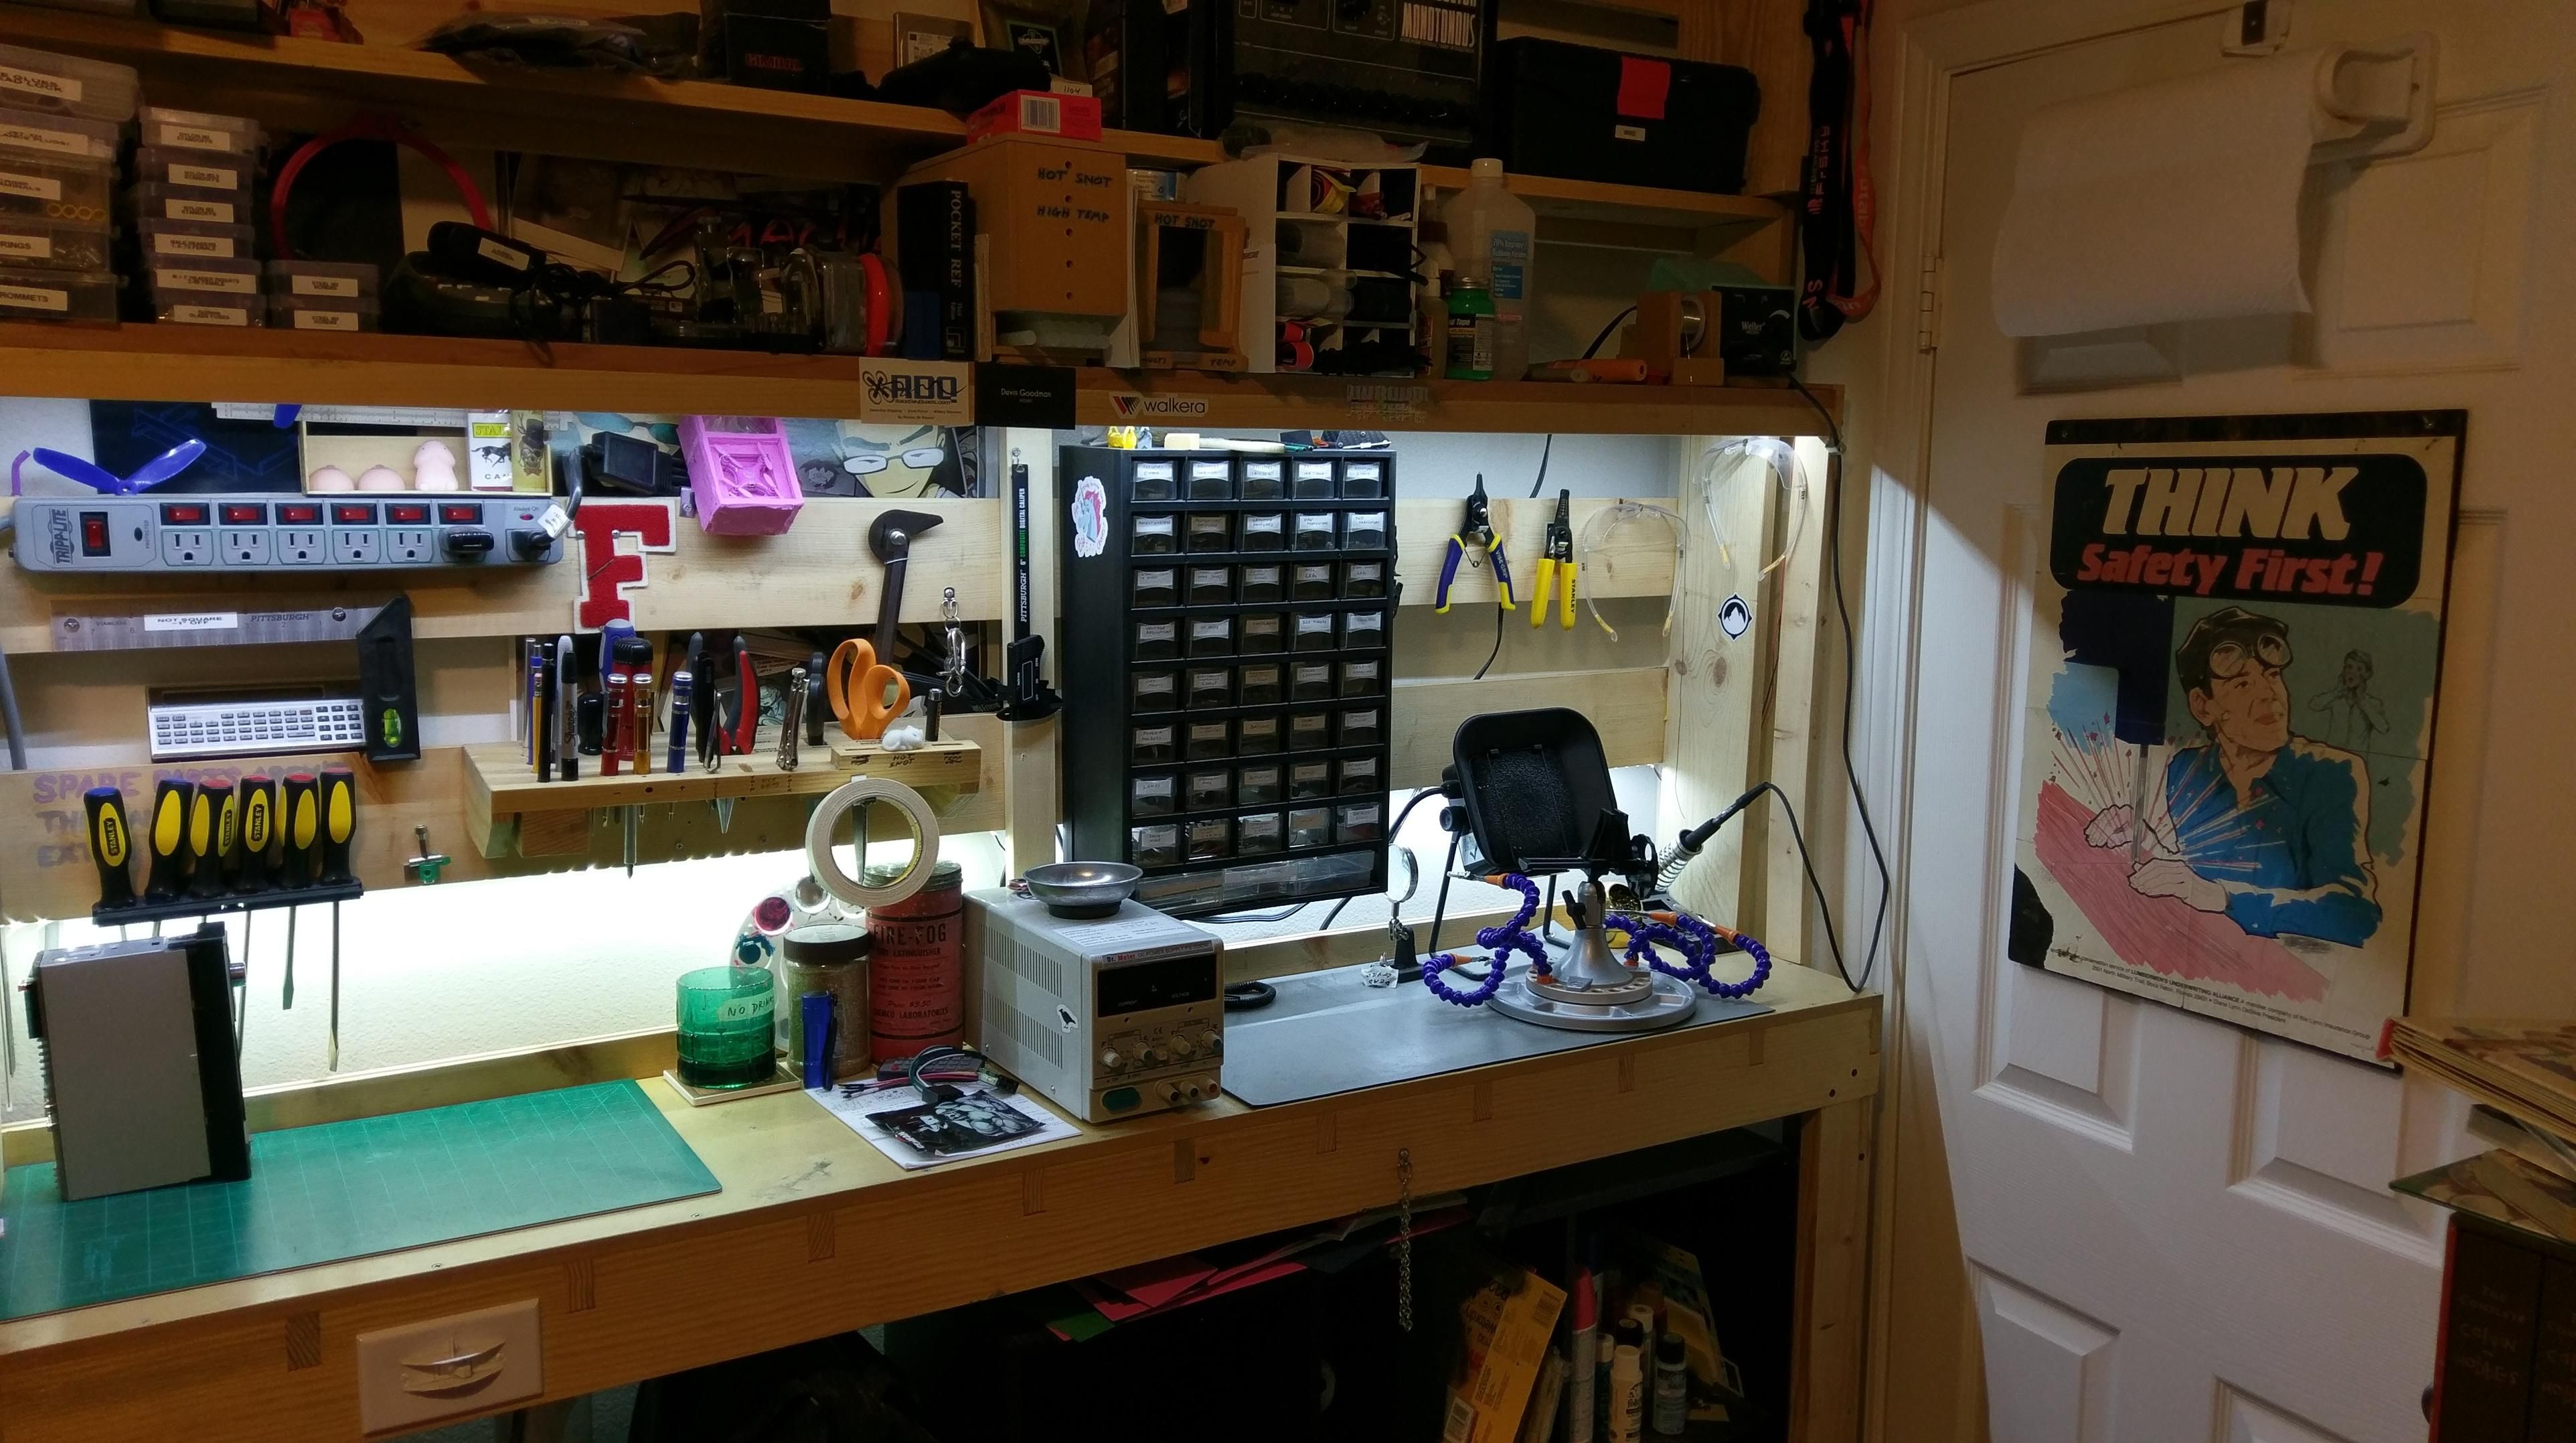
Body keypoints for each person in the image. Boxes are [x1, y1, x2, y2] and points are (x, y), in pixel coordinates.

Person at [2085, 607, 2381, 947]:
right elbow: (2200, 873)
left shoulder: (2331, 773)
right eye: (2243, 683)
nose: (2271, 695)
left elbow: (2355, 912)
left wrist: (2224, 899)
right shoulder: (2187, 769)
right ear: (2202, 706)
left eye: (2272, 676)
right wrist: (2148, 843)